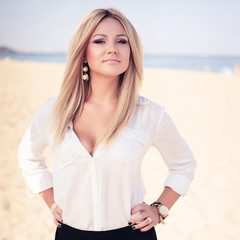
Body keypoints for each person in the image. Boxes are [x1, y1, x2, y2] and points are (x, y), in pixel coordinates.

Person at [18, 8, 196, 240]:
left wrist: (159, 209)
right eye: (100, 40)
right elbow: (29, 157)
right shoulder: (53, 111)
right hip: (69, 234)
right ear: (83, 52)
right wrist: (51, 202)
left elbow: (184, 164)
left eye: (122, 41)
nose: (112, 48)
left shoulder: (149, 114)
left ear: (131, 51)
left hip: (132, 234)